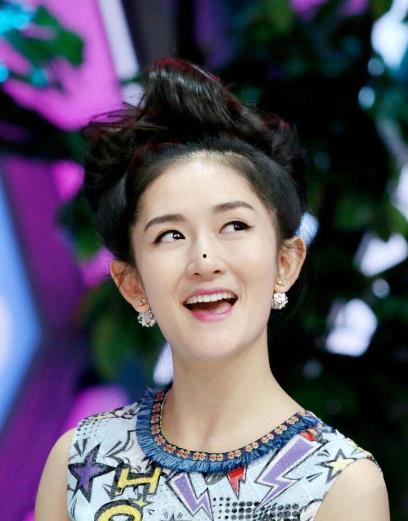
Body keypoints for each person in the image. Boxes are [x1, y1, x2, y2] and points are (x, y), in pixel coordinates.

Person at [35, 58, 390, 521]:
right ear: (132, 283)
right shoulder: (80, 459)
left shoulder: (340, 485)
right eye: (170, 235)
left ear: (285, 263)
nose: (204, 260)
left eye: (234, 225)